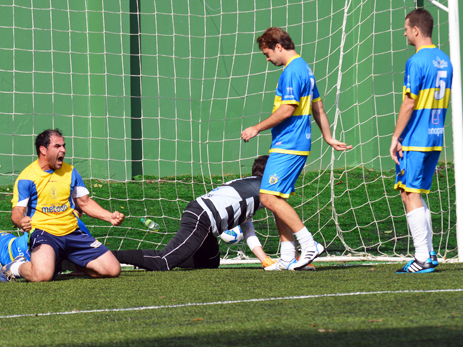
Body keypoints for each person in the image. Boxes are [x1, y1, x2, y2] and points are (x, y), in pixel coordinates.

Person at [241, 27, 351, 271]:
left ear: (278, 46)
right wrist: (329, 137)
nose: (268, 59)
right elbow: (318, 108)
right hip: (293, 143)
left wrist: (256, 128)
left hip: (289, 143)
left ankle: (309, 244)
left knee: (268, 198)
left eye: (267, 53)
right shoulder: (305, 69)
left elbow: (287, 110)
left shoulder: (292, 72)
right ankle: (288, 256)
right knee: (276, 197)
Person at [0, 128, 126, 282]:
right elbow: (17, 211)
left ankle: (63, 261)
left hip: (72, 232)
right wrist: (20, 221)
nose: (63, 150)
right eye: (57, 146)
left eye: (64, 146)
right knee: (42, 276)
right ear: (43, 150)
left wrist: (110, 216)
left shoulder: (71, 172)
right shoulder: (27, 178)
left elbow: (84, 203)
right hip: (44, 233)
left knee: (113, 270)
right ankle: (12, 267)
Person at [112, 156, 278, 271]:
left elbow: (247, 226)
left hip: (203, 217)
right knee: (164, 262)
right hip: (202, 217)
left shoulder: (249, 186)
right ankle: (109, 255)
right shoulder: (262, 188)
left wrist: (264, 259)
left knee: (210, 262)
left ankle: (149, 259)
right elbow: (281, 216)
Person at [390, 8, 453, 274]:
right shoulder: (444, 59)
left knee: (409, 193)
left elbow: (409, 101)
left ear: (416, 30)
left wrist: (396, 137)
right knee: (414, 193)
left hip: (415, 138)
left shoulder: (417, 61)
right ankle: (427, 253)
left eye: (406, 28)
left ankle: (422, 257)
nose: (404, 32)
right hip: (435, 136)